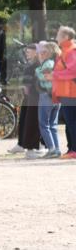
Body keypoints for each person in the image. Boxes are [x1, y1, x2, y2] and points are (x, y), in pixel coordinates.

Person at [11, 43, 44, 158]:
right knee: (24, 119)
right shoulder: (30, 64)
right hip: (29, 96)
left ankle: (34, 147)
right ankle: (22, 144)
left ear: (36, 52)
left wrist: (28, 88)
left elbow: (34, 82)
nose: (26, 53)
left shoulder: (37, 65)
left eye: (29, 52)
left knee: (32, 121)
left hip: (34, 96)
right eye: (26, 51)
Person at [52, 26, 76, 159]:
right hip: (67, 92)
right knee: (69, 122)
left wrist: (55, 75)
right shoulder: (66, 50)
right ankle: (71, 149)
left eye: (58, 34)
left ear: (66, 37)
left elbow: (73, 71)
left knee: (71, 121)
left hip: (71, 93)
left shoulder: (71, 51)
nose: (56, 36)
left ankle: (74, 150)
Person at [35, 41, 62, 158]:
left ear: (49, 52)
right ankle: (57, 149)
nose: (41, 53)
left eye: (44, 50)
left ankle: (52, 149)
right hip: (56, 96)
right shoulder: (58, 62)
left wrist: (37, 70)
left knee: (44, 124)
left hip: (47, 95)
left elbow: (44, 77)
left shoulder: (48, 63)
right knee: (53, 125)